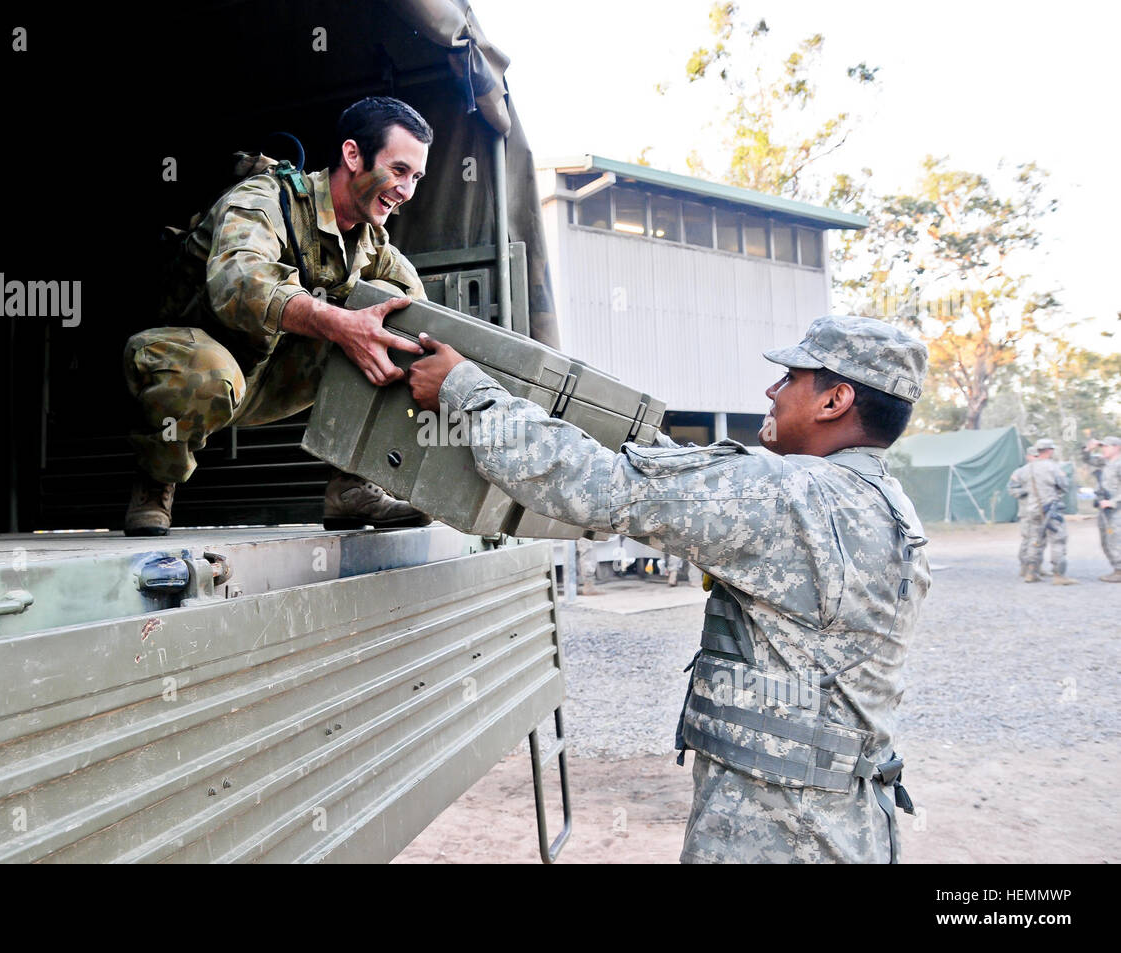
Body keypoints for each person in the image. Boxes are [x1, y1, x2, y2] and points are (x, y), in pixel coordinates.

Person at [408, 314, 931, 863]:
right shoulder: (883, 503)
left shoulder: (787, 493)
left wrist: (465, 389)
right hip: (849, 819)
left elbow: (592, 487)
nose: (771, 392)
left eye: (790, 379)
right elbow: (688, 490)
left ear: (835, 401)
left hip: (779, 833)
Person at [121, 97, 436, 535]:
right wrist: (341, 324)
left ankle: (351, 487)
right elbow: (240, 282)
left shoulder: (370, 239)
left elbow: (422, 312)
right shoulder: (266, 198)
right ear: (352, 155)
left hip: (270, 376)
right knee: (208, 373)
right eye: (398, 170)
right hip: (192, 363)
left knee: (394, 310)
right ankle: (155, 485)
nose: (407, 190)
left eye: (416, 177)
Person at [1007, 438, 1076, 584]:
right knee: (1058, 540)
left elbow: (1013, 487)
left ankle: (1031, 572)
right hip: (1051, 509)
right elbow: (1064, 485)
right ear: (1050, 451)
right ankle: (1059, 575)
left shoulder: (1024, 469)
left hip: (1032, 510)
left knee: (1034, 540)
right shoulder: (1053, 467)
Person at [1083, 436, 1121, 582]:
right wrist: (1088, 449)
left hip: (1117, 509)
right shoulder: (1104, 462)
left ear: (1116, 447)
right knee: (1105, 540)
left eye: (1106, 446)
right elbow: (1087, 460)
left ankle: (1119, 571)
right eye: (1102, 446)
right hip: (1105, 508)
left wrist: (1113, 501)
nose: (1103, 449)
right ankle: (1116, 568)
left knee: (1115, 539)